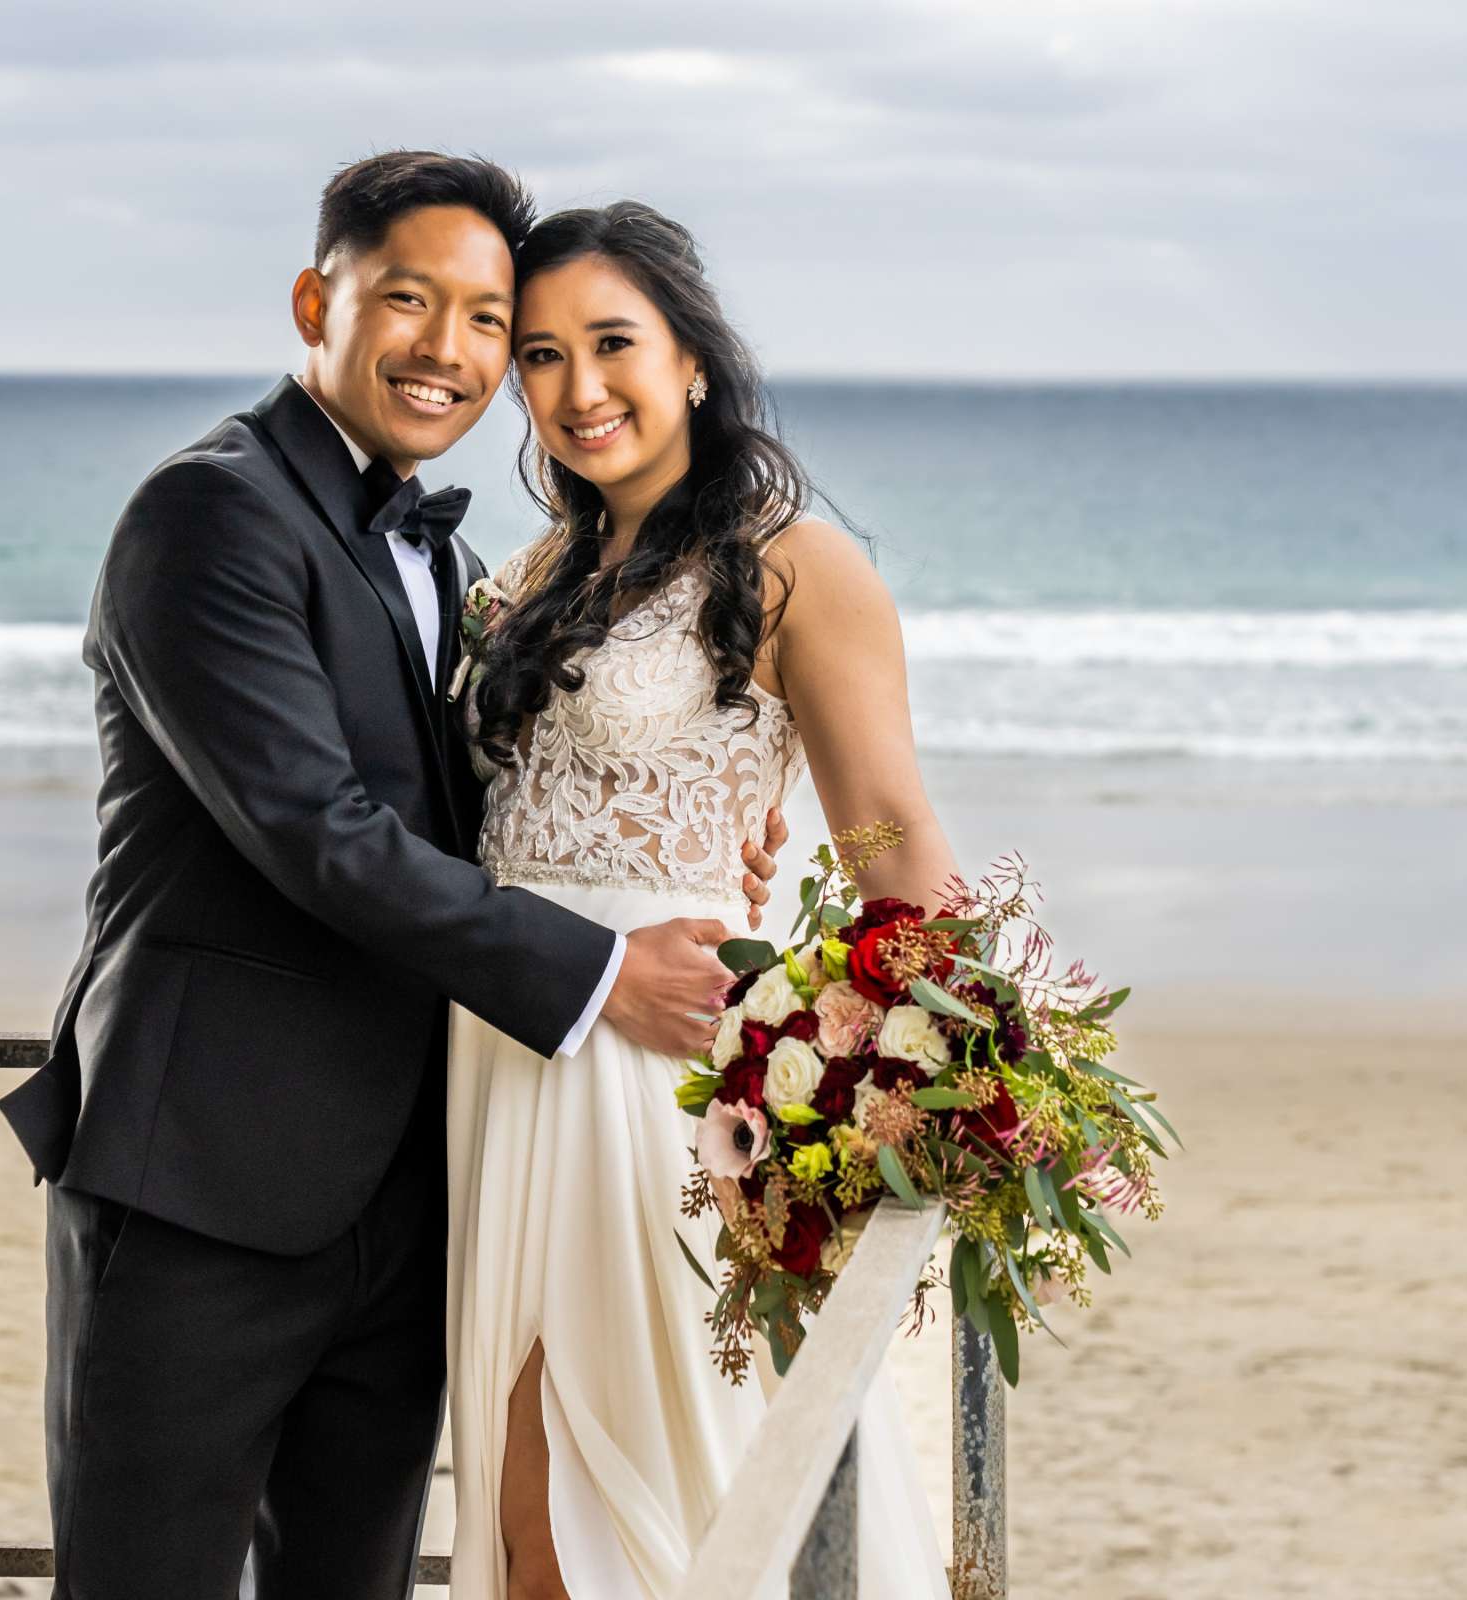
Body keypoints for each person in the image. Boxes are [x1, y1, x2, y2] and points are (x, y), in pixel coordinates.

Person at [0, 153, 787, 1600]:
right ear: (318, 298)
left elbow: (499, 801)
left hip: (417, 1186)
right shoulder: (210, 514)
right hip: (204, 1184)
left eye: (493, 323)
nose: (453, 350)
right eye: (410, 300)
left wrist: (712, 803)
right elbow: (312, 827)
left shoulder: (462, 557)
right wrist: (602, 971)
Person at [446, 200, 957, 1599]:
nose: (577, 388)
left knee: (677, 1489)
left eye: (613, 343)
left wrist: (888, 1101)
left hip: (662, 1082)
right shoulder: (529, 580)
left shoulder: (799, 564)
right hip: (502, 1061)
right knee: (522, 1511)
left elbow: (898, 863)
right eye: (539, 355)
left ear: (694, 362)